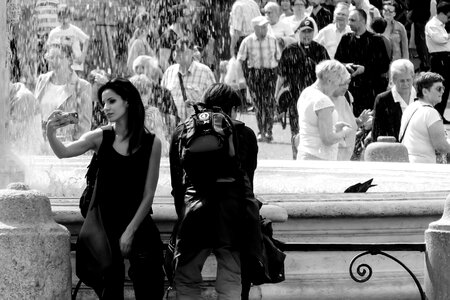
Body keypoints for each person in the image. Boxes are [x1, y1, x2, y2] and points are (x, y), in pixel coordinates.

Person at [46, 78, 165, 299]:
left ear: (127, 102)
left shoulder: (152, 143)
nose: (106, 108)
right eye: (103, 103)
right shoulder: (100, 137)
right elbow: (63, 152)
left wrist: (129, 232)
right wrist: (51, 133)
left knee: (150, 273)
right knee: (110, 276)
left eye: (112, 101)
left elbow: (149, 195)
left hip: (137, 220)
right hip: (104, 221)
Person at [169, 83, 261, 300]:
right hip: (233, 213)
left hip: (195, 210)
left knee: (186, 278)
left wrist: (182, 214)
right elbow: (248, 178)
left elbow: (177, 184)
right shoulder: (245, 133)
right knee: (231, 278)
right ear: (232, 109)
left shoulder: (182, 131)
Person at [335, 8, 390, 116]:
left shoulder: (376, 40)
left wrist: (365, 69)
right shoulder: (346, 39)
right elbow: (337, 62)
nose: (349, 23)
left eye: (353, 20)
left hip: (371, 89)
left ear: (363, 21)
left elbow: (384, 66)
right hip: (351, 90)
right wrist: (346, 66)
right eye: (349, 20)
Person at [297, 59, 353, 160]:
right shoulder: (323, 101)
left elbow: (311, 125)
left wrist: (334, 127)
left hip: (304, 154)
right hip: (319, 159)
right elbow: (327, 139)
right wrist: (345, 132)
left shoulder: (306, 92)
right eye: (338, 83)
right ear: (330, 81)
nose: (337, 88)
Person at [237, 16, 282, 142]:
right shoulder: (247, 41)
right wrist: (242, 78)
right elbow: (240, 60)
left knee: (269, 103)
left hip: (270, 73)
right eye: (262, 27)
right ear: (255, 28)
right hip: (255, 74)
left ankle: (268, 131)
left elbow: (279, 58)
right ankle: (261, 130)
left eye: (266, 27)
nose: (264, 29)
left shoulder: (272, 40)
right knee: (258, 104)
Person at [35, 44, 92, 142]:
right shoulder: (42, 80)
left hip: (65, 145)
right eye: (51, 57)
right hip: (40, 144)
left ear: (70, 59)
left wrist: (73, 150)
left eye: (60, 57)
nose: (54, 61)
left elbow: (84, 125)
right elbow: (35, 114)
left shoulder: (82, 86)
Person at [278, 22, 317, 159]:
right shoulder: (289, 50)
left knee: (312, 130)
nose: (306, 35)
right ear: (298, 32)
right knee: (295, 130)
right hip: (295, 97)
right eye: (304, 31)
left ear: (313, 33)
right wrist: (277, 96)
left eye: (309, 31)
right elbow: (281, 75)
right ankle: (296, 158)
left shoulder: (319, 49)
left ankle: (311, 158)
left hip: (314, 99)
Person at [399, 72, 450, 163]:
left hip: (408, 163)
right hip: (425, 167)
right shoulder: (431, 112)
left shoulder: (410, 108)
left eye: (443, 88)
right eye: (438, 88)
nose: (442, 91)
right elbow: (441, 147)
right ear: (425, 91)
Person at [161, 37, 216, 122]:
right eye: (176, 49)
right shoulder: (169, 72)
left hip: (197, 126)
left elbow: (214, 103)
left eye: (182, 49)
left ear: (191, 52)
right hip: (174, 128)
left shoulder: (205, 72)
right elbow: (162, 100)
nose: (177, 52)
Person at [372, 59, 416, 143]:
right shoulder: (383, 99)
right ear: (393, 80)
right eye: (402, 81)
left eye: (408, 80)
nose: (406, 84)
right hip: (393, 148)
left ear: (413, 77)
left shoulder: (421, 96)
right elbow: (377, 132)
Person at [425, 1, 450, 124]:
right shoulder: (432, 25)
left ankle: (440, 114)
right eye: (448, 16)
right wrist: (448, 36)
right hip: (438, 58)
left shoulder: (441, 26)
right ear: (441, 13)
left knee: (446, 87)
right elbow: (439, 40)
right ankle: (435, 114)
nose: (449, 19)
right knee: (438, 86)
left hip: (445, 57)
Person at [46, 6, 90, 75]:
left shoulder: (74, 30)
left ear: (70, 17)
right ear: (58, 18)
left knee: (76, 84)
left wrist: (82, 57)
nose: (64, 20)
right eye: (61, 17)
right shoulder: (54, 33)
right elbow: (49, 48)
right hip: (61, 67)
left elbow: (86, 40)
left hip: (75, 66)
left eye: (65, 17)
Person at [407, 0, 431, 71]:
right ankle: (425, 63)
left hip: (419, 17)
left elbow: (411, 4)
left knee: (421, 42)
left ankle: (425, 64)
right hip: (422, 16)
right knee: (421, 42)